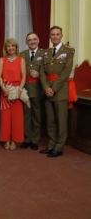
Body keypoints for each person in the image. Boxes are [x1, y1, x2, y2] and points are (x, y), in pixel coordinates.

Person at [39, 26, 74, 157]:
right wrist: (46, 88)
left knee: (61, 120)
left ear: (61, 36)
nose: (55, 37)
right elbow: (42, 72)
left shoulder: (68, 51)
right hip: (47, 89)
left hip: (60, 90)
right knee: (51, 120)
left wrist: (53, 89)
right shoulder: (46, 52)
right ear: (50, 36)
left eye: (57, 34)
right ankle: (52, 144)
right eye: (52, 35)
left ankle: (59, 147)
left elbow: (66, 72)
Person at [0, 38, 26, 150]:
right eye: (8, 46)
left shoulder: (21, 59)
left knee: (17, 117)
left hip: (17, 89)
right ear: (5, 48)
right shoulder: (2, 60)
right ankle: (6, 139)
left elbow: (23, 76)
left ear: (16, 47)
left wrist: (20, 89)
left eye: (12, 46)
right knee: (5, 117)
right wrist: (3, 88)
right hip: (5, 90)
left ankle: (14, 139)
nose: (10, 48)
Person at [19, 33, 44, 151]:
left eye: (34, 39)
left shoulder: (44, 54)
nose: (32, 42)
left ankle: (34, 140)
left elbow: (48, 72)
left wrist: (39, 75)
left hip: (38, 89)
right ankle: (27, 138)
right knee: (26, 115)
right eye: (29, 40)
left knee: (37, 116)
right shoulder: (22, 55)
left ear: (38, 40)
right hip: (25, 89)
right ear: (26, 42)